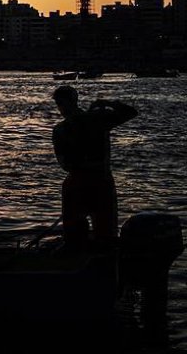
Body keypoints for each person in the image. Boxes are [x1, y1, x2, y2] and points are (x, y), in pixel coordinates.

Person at [52, 85, 137, 251]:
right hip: (98, 180)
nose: (60, 108)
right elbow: (130, 112)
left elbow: (64, 164)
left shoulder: (61, 129)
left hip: (81, 181)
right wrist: (108, 103)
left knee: (77, 236)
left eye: (60, 103)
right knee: (105, 233)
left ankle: (79, 254)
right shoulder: (96, 119)